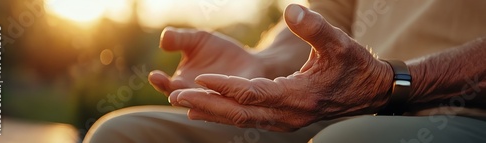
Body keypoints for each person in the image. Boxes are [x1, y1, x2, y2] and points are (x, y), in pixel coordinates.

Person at [84, 0, 486, 143]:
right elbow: (329, 16)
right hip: (347, 109)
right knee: (123, 134)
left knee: (348, 141)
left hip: (465, 111)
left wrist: (392, 83)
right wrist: (261, 64)